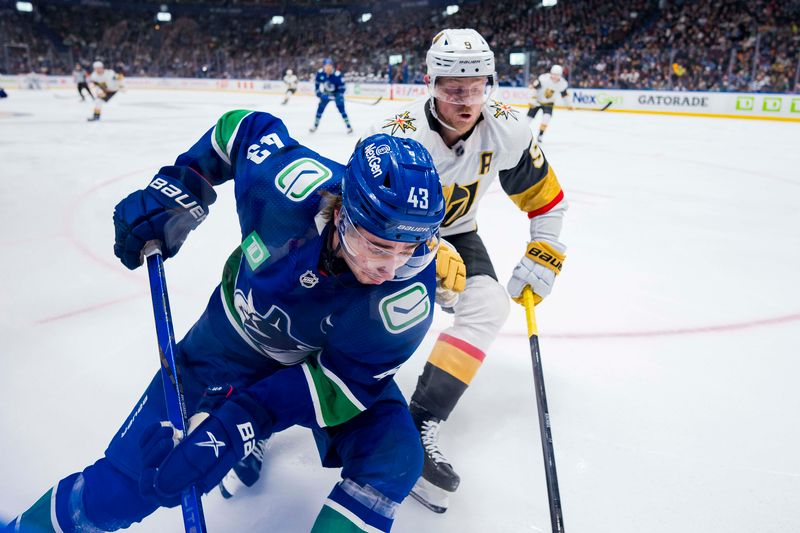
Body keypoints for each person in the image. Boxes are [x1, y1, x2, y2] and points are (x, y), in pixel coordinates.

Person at [3, 110, 468, 532]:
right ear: (344, 211)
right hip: (228, 344)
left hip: (323, 368)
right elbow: (242, 129)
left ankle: (247, 440)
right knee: (129, 485)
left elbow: (334, 387)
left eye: (411, 249)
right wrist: (181, 185)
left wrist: (237, 425)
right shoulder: (286, 186)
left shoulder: (405, 300)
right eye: (379, 246)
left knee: (395, 456)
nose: (390, 269)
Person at [361, 28, 569, 513]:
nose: (467, 99)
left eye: (477, 86)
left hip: (459, 232)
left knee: (489, 305)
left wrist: (545, 247)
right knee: (377, 317)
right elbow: (358, 214)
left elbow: (546, 198)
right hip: (389, 237)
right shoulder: (393, 134)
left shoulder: (509, 128)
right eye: (454, 88)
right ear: (430, 83)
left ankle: (420, 419)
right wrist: (422, 250)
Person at [527, 64, 575, 143]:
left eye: (557, 75)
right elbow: (534, 89)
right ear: (551, 73)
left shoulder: (562, 83)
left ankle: (540, 135)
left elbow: (564, 95)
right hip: (537, 101)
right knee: (528, 120)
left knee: (546, 118)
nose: (555, 77)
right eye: (554, 74)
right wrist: (532, 100)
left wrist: (569, 104)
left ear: (560, 75)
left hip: (549, 103)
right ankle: (521, 133)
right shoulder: (543, 78)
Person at [310, 58, 353, 134]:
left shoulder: (338, 75)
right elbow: (317, 86)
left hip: (337, 94)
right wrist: (320, 94)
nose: (327, 68)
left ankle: (349, 126)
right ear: (323, 66)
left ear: (332, 66)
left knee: (342, 110)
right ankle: (315, 126)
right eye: (326, 66)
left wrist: (339, 95)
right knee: (320, 109)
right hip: (326, 94)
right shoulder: (320, 73)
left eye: (329, 66)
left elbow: (342, 88)